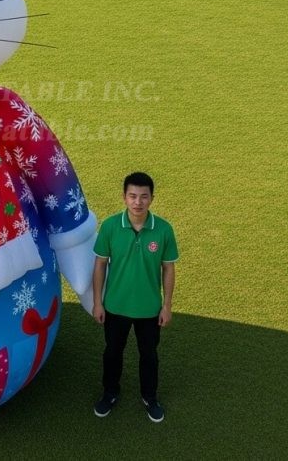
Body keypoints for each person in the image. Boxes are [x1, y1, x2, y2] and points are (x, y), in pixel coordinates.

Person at [92, 172, 178, 422]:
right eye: (132, 196)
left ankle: (150, 397)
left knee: (149, 355)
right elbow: (100, 265)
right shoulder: (110, 226)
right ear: (124, 197)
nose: (138, 202)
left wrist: (167, 305)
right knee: (112, 353)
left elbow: (168, 268)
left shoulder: (164, 229)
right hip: (115, 307)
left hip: (150, 309)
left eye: (143, 196)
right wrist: (97, 303)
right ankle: (110, 393)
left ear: (152, 198)